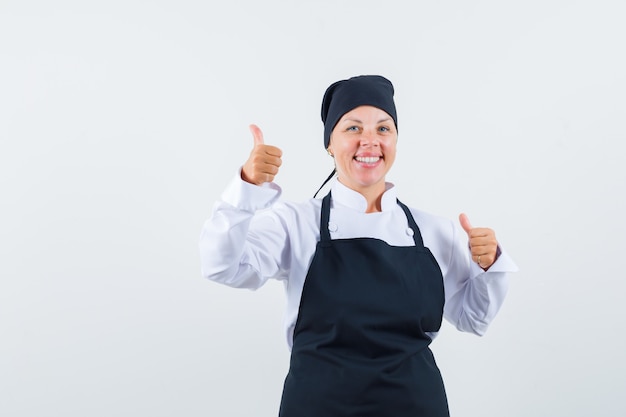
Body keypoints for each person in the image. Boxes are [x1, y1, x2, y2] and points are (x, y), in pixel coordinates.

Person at [199, 75, 518, 416]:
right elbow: (221, 266)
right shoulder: (295, 223)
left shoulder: (434, 231)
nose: (370, 141)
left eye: (383, 129)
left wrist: (491, 264)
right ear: (330, 144)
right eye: (353, 128)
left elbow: (473, 318)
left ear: (396, 140)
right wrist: (246, 189)